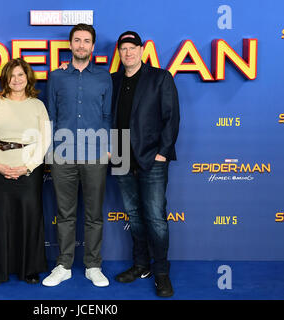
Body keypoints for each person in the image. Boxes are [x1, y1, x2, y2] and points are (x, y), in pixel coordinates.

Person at [42, 23, 113, 287]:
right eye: (77, 40)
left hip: (95, 154)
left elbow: (108, 116)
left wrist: (108, 148)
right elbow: (51, 115)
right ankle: (64, 265)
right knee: (65, 213)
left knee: (94, 215)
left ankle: (93, 266)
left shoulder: (104, 77)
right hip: (63, 155)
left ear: (93, 47)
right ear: (70, 45)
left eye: (86, 41)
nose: (81, 45)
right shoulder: (56, 77)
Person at [111, 31, 180, 297]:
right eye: (123, 48)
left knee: (155, 218)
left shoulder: (160, 78)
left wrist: (162, 153)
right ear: (119, 52)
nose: (128, 53)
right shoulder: (113, 80)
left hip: (152, 159)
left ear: (142, 50)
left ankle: (161, 272)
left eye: (132, 47)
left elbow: (171, 118)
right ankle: (141, 266)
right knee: (135, 217)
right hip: (120, 158)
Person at [0, 58, 51, 286]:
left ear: (27, 78)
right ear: (5, 78)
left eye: (21, 75)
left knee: (29, 219)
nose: (16, 79)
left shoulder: (37, 105)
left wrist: (28, 166)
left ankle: (29, 270)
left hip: (29, 171)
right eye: (12, 75)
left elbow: (45, 139)